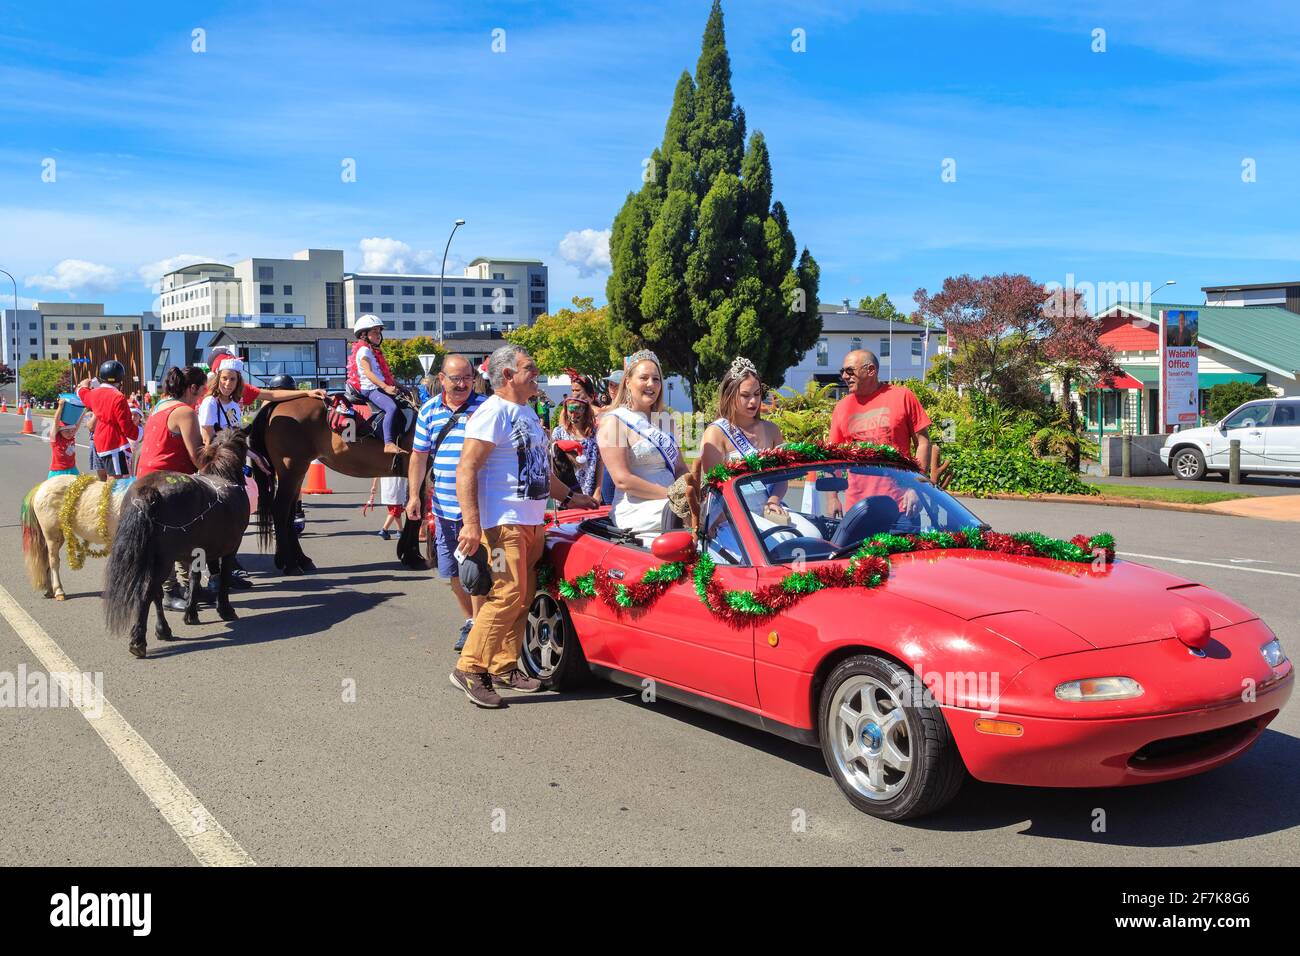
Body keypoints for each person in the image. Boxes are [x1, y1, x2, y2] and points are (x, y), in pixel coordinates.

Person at [449, 345, 596, 708]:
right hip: (503, 524)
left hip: (531, 522)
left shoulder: (527, 412)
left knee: (524, 595)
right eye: (529, 368)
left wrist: (572, 498)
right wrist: (471, 523)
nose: (536, 373)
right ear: (508, 375)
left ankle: (503, 665)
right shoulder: (492, 412)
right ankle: (470, 667)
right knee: (509, 593)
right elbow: (466, 468)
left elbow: (540, 472)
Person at [407, 354, 487, 651]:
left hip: (477, 508)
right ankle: (470, 620)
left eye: (468, 377)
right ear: (441, 379)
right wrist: (414, 495)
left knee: (477, 570)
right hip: (442, 506)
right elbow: (418, 456)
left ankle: (480, 628)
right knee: (451, 570)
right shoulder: (428, 410)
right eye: (456, 378)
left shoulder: (485, 408)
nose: (463, 383)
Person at [136, 365, 208, 612]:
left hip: (144, 479)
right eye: (199, 394)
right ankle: (175, 589)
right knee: (196, 533)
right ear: (192, 388)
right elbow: (198, 459)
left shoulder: (158, 406)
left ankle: (183, 586)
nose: (200, 399)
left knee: (162, 539)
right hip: (170, 482)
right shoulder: (185, 412)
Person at [828, 349, 932, 516]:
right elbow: (832, 457)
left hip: (902, 506)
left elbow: (923, 442)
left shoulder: (903, 396)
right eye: (842, 372)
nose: (845, 376)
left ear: (871, 370)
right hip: (858, 508)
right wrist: (832, 497)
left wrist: (916, 487)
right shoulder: (841, 407)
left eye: (850, 371)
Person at [598, 350, 685, 535]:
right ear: (628, 382)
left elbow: (680, 468)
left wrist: (689, 490)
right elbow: (623, 480)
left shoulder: (666, 419)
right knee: (686, 516)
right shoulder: (614, 421)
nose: (651, 384)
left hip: (672, 500)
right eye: (643, 378)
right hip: (637, 506)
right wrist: (672, 495)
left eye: (656, 379)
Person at [698, 356, 790, 520]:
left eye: (757, 394)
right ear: (729, 396)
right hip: (729, 516)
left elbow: (782, 477)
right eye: (745, 395)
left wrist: (774, 501)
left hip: (769, 510)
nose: (753, 401)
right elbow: (716, 486)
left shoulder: (772, 430)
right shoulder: (716, 433)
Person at [346, 314, 403, 455]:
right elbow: (369, 373)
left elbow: (383, 375)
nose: (378, 335)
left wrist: (401, 386)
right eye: (374, 332)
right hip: (370, 389)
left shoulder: (372, 350)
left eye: (379, 332)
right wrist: (385, 387)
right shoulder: (364, 350)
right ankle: (388, 443)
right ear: (363, 334)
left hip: (377, 386)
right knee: (391, 407)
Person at [75, 361, 140, 480]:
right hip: (113, 442)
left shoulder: (94, 393)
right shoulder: (118, 397)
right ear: (120, 379)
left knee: (108, 478)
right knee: (115, 480)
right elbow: (127, 428)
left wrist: (83, 386)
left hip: (99, 440)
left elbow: (82, 394)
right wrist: (141, 433)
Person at [551, 389, 602, 501]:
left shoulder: (595, 433)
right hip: (566, 494)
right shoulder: (559, 432)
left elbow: (600, 463)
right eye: (571, 411)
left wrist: (598, 491)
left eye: (578, 410)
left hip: (590, 491)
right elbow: (553, 464)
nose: (574, 414)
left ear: (585, 410)